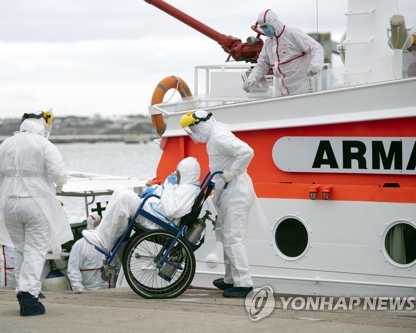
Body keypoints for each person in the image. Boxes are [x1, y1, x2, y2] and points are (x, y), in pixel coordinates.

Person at [0, 108, 73, 316]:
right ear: (41, 125)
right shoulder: (43, 144)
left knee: (20, 249)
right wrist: (58, 187)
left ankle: (23, 289)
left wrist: (1, 197)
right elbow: (58, 172)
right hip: (36, 202)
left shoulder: (6, 144)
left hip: (9, 203)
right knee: (35, 250)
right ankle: (28, 295)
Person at [181, 110, 255, 298]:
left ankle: (244, 284)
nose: (194, 134)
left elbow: (247, 151)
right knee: (225, 234)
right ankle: (230, 279)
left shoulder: (219, 137)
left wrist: (233, 172)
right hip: (228, 190)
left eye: (193, 129)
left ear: (201, 124)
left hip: (236, 189)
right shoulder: (215, 134)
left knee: (233, 237)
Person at [82, 157, 201, 251]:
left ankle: (104, 241)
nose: (177, 175)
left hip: (157, 221)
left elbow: (172, 209)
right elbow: (169, 197)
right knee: (120, 191)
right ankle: (102, 234)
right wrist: (156, 188)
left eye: (179, 173)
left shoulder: (188, 190)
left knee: (124, 197)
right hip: (154, 213)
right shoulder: (186, 186)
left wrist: (168, 186)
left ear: (186, 174)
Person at [243, 9, 324, 96]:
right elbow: (262, 64)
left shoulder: (291, 33)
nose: (264, 30)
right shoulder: (268, 42)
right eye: (262, 27)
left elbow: (315, 47)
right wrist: (251, 80)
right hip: (282, 94)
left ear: (273, 23)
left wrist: (316, 65)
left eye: (265, 26)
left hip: (303, 91)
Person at [67, 212, 108, 291]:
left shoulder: (107, 243)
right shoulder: (79, 245)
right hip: (88, 290)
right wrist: (78, 288)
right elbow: (73, 268)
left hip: (108, 289)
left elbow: (115, 265)